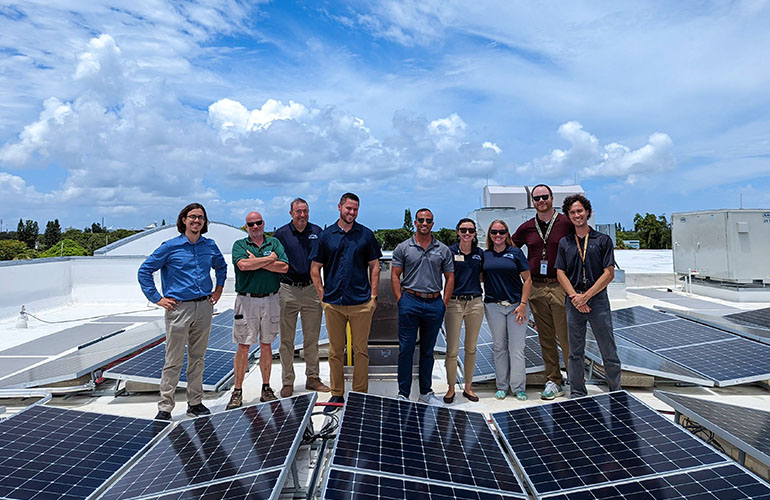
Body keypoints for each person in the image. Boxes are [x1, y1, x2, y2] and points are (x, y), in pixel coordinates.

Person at [138, 203, 227, 420]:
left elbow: (221, 266)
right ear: (184, 220)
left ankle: (195, 403)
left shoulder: (209, 245)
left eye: (201, 218)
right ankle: (165, 407)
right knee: (174, 359)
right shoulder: (170, 247)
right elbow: (145, 271)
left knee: (198, 358)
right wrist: (157, 298)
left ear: (205, 222)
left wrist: (218, 290)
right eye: (193, 217)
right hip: (179, 309)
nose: (197, 221)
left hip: (204, 307)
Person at [310, 193, 381, 413]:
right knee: (335, 352)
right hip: (334, 304)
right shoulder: (326, 236)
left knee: (361, 351)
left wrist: (373, 297)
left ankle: (359, 396)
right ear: (339, 207)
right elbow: (315, 269)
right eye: (348, 208)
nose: (351, 213)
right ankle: (337, 394)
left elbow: (375, 266)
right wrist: (323, 297)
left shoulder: (366, 235)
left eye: (355, 209)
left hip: (361, 302)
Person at [555, 194, 621, 398]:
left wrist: (587, 296)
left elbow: (608, 273)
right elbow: (560, 273)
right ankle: (577, 393)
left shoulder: (602, 240)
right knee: (575, 352)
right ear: (568, 215)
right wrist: (576, 297)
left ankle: (615, 391)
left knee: (608, 350)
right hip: (573, 302)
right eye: (573, 212)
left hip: (598, 301)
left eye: (580, 211)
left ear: (588, 212)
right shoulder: (565, 243)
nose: (577, 215)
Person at [512, 184, 573, 400]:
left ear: (552, 198)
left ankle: (575, 381)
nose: (541, 201)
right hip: (537, 286)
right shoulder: (527, 227)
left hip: (560, 286)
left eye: (544, 197)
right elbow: (511, 247)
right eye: (536, 198)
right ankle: (554, 380)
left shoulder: (566, 222)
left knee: (566, 337)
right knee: (545, 337)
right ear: (532, 201)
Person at [225, 211, 289, 410]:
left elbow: (284, 268)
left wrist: (258, 262)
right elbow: (243, 265)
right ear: (246, 227)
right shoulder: (240, 245)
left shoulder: (274, 243)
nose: (255, 226)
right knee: (243, 346)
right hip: (247, 300)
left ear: (264, 223)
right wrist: (270, 259)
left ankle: (266, 388)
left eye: (258, 222)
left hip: (271, 299)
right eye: (250, 224)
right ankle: (237, 391)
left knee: (267, 345)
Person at [391, 209, 454, 405]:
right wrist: (401, 300)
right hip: (410, 301)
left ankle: (426, 392)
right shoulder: (403, 247)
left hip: (434, 303)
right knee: (406, 349)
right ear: (415, 223)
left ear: (432, 223)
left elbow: (450, 277)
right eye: (421, 220)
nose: (424, 223)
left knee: (428, 351)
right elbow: (395, 275)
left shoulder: (443, 249)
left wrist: (443, 303)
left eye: (428, 220)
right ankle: (403, 393)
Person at [273, 198, 330, 398]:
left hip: (311, 290)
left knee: (312, 338)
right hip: (287, 289)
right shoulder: (280, 234)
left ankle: (312, 378)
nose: (302, 215)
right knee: (286, 340)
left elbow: (325, 259)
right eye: (298, 211)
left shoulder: (317, 232)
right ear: (291, 213)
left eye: (305, 211)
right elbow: (274, 261)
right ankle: (287, 381)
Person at [483, 219, 532, 401]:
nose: (498, 235)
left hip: (516, 308)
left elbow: (527, 280)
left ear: (507, 234)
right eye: (494, 232)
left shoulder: (516, 253)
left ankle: (518, 387)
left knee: (516, 348)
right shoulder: (485, 255)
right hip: (493, 307)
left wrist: (523, 304)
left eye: (501, 232)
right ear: (489, 234)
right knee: (499, 348)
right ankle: (502, 386)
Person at [443, 218, 483, 403]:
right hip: (454, 304)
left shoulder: (479, 254)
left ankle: (468, 387)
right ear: (458, 231)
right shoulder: (449, 252)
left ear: (475, 233)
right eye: (463, 230)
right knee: (452, 349)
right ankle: (451, 388)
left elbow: (483, 276)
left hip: (475, 303)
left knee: (471, 348)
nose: (467, 233)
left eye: (470, 230)